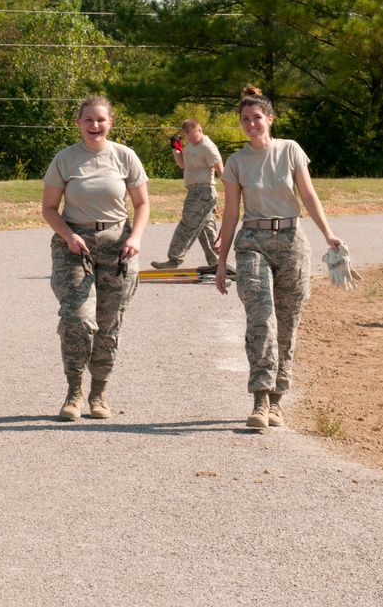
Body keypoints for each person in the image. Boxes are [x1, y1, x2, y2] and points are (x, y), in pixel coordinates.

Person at [215, 85, 343, 429]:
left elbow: (309, 195)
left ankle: (276, 401)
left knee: (287, 323)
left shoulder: (290, 151)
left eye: (257, 117)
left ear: (270, 119)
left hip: (291, 240)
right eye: (245, 119)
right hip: (252, 241)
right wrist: (221, 262)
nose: (251, 124)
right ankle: (259, 397)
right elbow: (230, 214)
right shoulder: (237, 161)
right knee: (261, 318)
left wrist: (327, 233)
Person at [41, 96, 150, 421]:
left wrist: (135, 238)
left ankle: (98, 393)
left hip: (118, 247)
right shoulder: (65, 160)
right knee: (76, 318)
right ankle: (73, 393)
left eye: (100, 120)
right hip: (75, 246)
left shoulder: (125, 157)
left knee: (108, 324)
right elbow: (48, 208)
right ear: (79, 123)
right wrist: (69, 235)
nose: (95, 126)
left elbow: (142, 205)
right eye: (88, 120)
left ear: (110, 123)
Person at [151, 119, 223, 269]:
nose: (191, 140)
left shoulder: (207, 146)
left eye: (193, 137)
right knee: (206, 228)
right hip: (195, 191)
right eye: (188, 138)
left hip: (203, 192)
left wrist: (232, 194)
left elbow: (221, 171)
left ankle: (174, 260)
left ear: (200, 130)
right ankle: (217, 262)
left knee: (187, 225)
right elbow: (182, 164)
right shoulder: (191, 146)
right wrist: (175, 148)